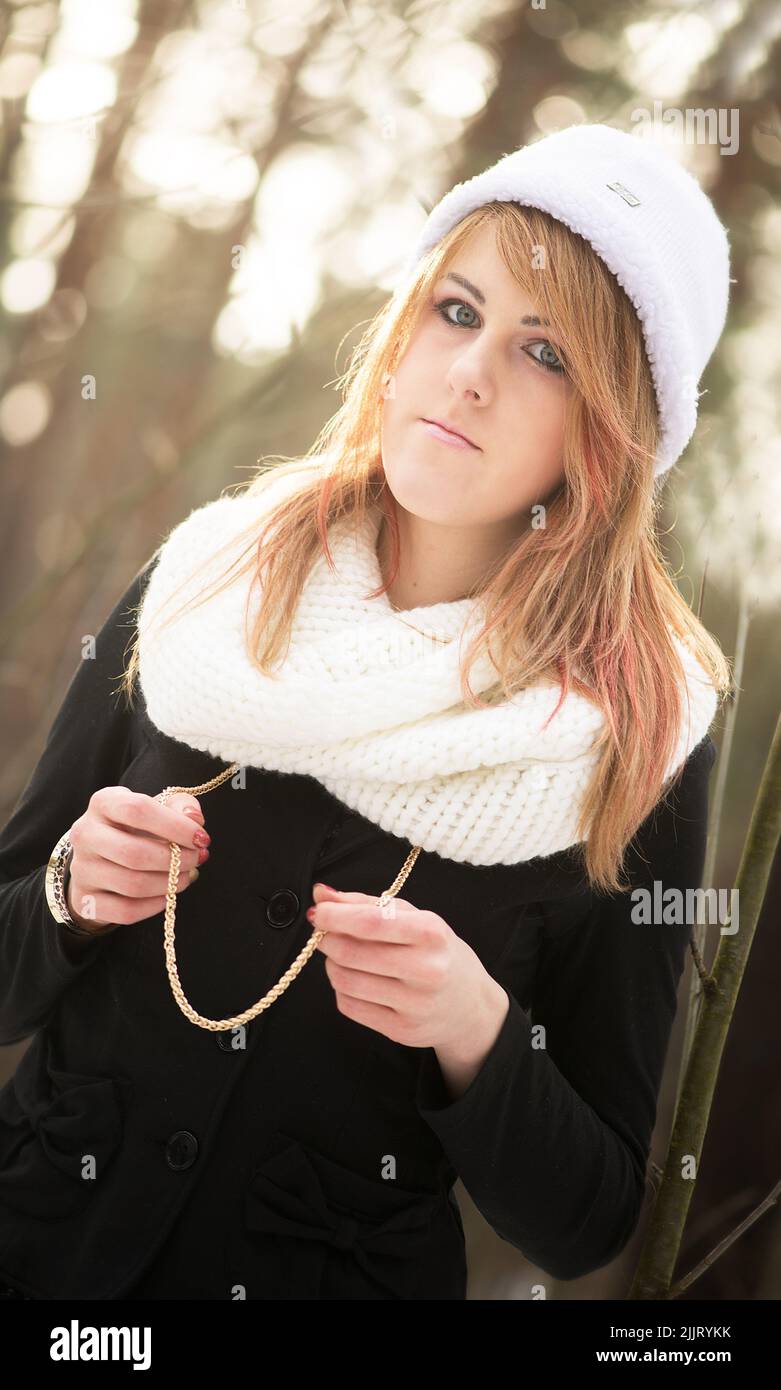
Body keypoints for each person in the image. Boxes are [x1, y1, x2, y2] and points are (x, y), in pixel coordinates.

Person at [0, 123, 733, 1301]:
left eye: (544, 352)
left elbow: (588, 1215)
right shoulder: (207, 580)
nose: (470, 373)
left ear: (612, 432)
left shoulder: (636, 730)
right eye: (457, 310)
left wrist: (479, 1032)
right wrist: (67, 899)